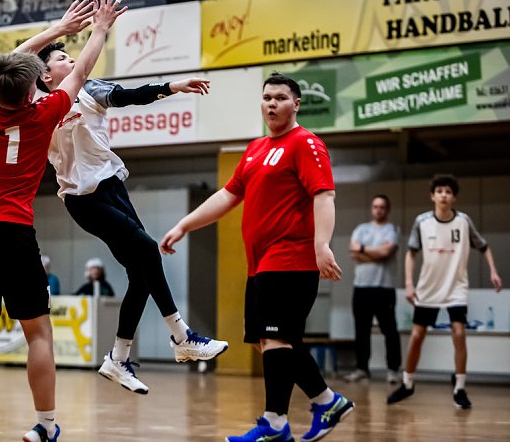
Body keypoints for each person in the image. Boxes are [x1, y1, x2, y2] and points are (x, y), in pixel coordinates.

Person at [0, 0, 123, 442]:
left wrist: (58, 29)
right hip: (14, 233)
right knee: (38, 333)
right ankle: (46, 425)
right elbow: (80, 71)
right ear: (32, 87)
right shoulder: (43, 115)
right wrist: (98, 28)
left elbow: (11, 61)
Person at [21, 24, 227, 397]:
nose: (72, 59)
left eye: (72, 56)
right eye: (62, 58)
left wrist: (171, 87)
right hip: (83, 199)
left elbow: (130, 94)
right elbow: (15, 65)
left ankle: (117, 358)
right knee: (148, 251)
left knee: (141, 273)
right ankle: (182, 336)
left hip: (114, 188)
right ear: (45, 75)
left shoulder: (90, 90)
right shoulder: (39, 107)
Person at [160, 72, 353, 442]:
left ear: (296, 103)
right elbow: (227, 196)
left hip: (291, 258)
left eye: (280, 97)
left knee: (278, 340)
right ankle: (326, 402)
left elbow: (324, 195)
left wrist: (322, 245)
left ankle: (276, 423)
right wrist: (185, 224)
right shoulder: (255, 149)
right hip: (260, 263)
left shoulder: (306, 143)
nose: (272, 104)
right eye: (267, 97)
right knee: (272, 341)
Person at [387, 174, 502, 409]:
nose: (443, 195)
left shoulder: (464, 221)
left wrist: (493, 271)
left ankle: (460, 387)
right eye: (439, 191)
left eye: (448, 192)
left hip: (456, 287)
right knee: (417, 337)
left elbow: (484, 246)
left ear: (454, 197)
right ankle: (407, 383)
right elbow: (411, 253)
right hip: (428, 287)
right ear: (432, 196)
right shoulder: (422, 222)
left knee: (458, 333)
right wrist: (409, 283)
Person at [345, 194, 402, 384]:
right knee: (361, 330)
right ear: (372, 208)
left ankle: (393, 369)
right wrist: (375, 253)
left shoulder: (392, 229)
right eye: (376, 206)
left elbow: (387, 253)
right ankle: (362, 369)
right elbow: (353, 254)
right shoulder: (361, 229)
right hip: (361, 288)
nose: (379, 210)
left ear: (387, 209)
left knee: (390, 330)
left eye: (382, 207)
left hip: (384, 288)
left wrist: (363, 249)